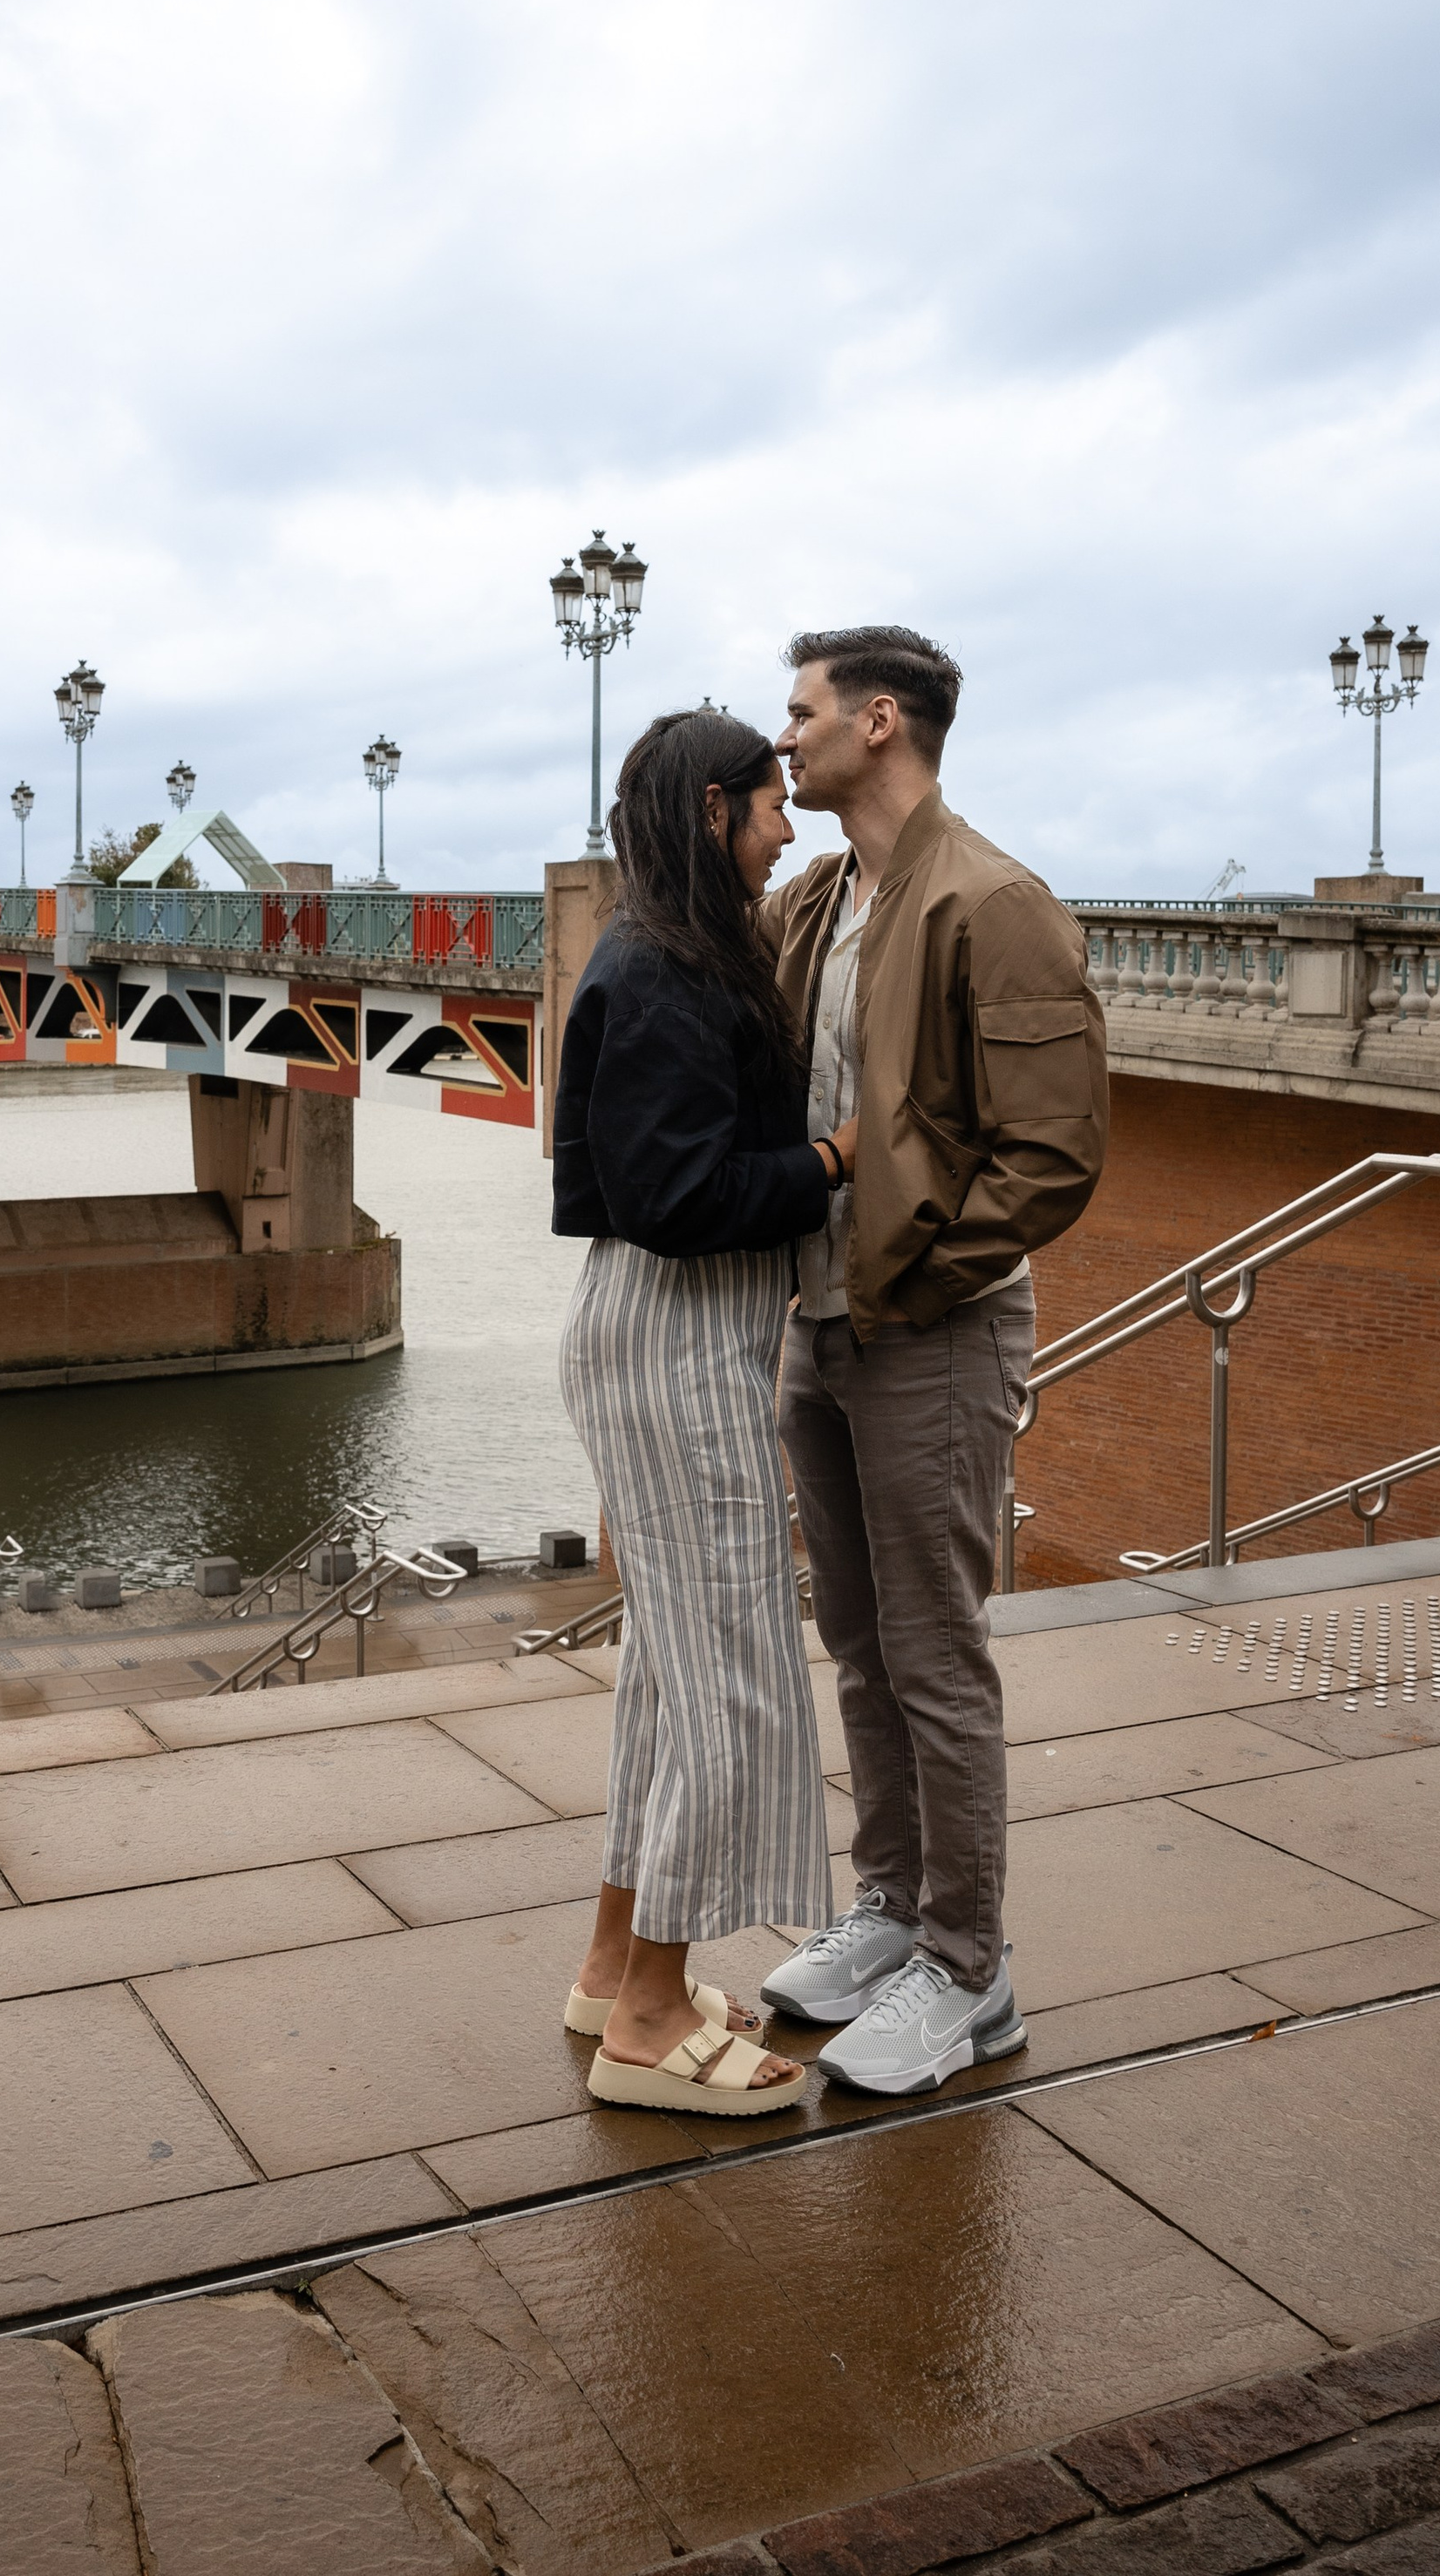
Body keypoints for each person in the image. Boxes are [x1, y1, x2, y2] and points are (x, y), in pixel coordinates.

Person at [759, 627, 1107, 2093]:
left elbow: (1053, 1156)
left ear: (878, 722)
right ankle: (892, 1908)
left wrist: (908, 1271)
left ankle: (974, 1969)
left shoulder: (995, 900)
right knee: (855, 1641)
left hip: (933, 1329)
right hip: (815, 1325)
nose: (787, 739)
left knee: (936, 1653)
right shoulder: (815, 897)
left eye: (802, 712)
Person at [552, 705, 848, 2117]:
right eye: (767, 805)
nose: (785, 829)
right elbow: (677, 1202)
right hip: (678, 1341)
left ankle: (618, 1966)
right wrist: (831, 1158)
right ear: (711, 810)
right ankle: (653, 2022)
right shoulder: (669, 968)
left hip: (656, 1336)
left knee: (677, 1675)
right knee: (729, 1667)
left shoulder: (653, 950)